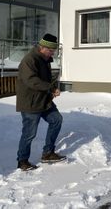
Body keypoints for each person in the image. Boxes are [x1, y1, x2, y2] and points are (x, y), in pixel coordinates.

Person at [16, 33, 66, 171]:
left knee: (56, 120)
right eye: (51, 51)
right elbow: (31, 80)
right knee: (29, 133)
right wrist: (49, 88)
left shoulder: (45, 58)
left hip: (44, 100)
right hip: (30, 102)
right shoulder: (29, 60)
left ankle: (48, 153)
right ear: (42, 47)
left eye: (54, 51)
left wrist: (53, 88)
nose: (53, 54)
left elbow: (46, 79)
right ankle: (22, 161)